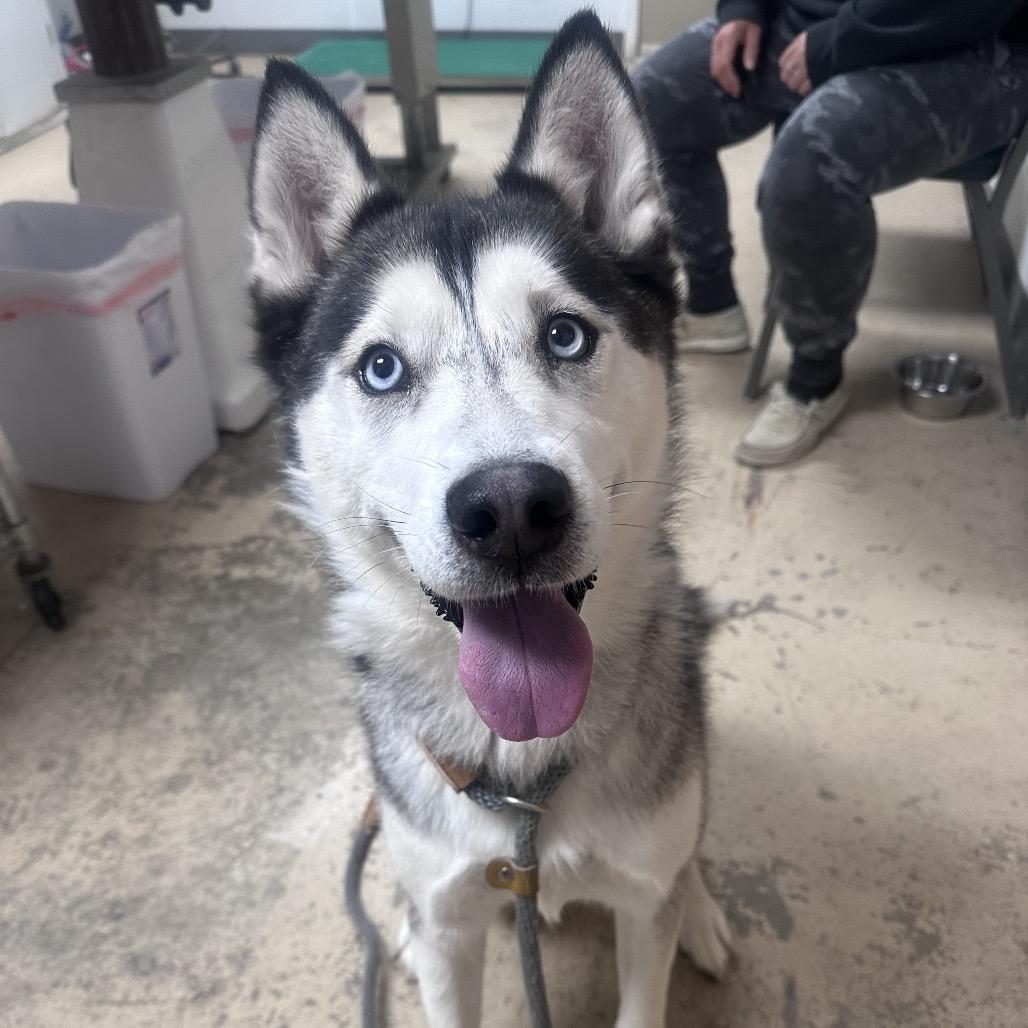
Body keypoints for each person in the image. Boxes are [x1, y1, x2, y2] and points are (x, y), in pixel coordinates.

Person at [633, 1, 1028, 467]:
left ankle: (817, 379)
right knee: (650, 100)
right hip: (813, 19)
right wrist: (744, 8)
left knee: (808, 167)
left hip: (967, 45)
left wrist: (836, 43)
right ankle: (712, 303)